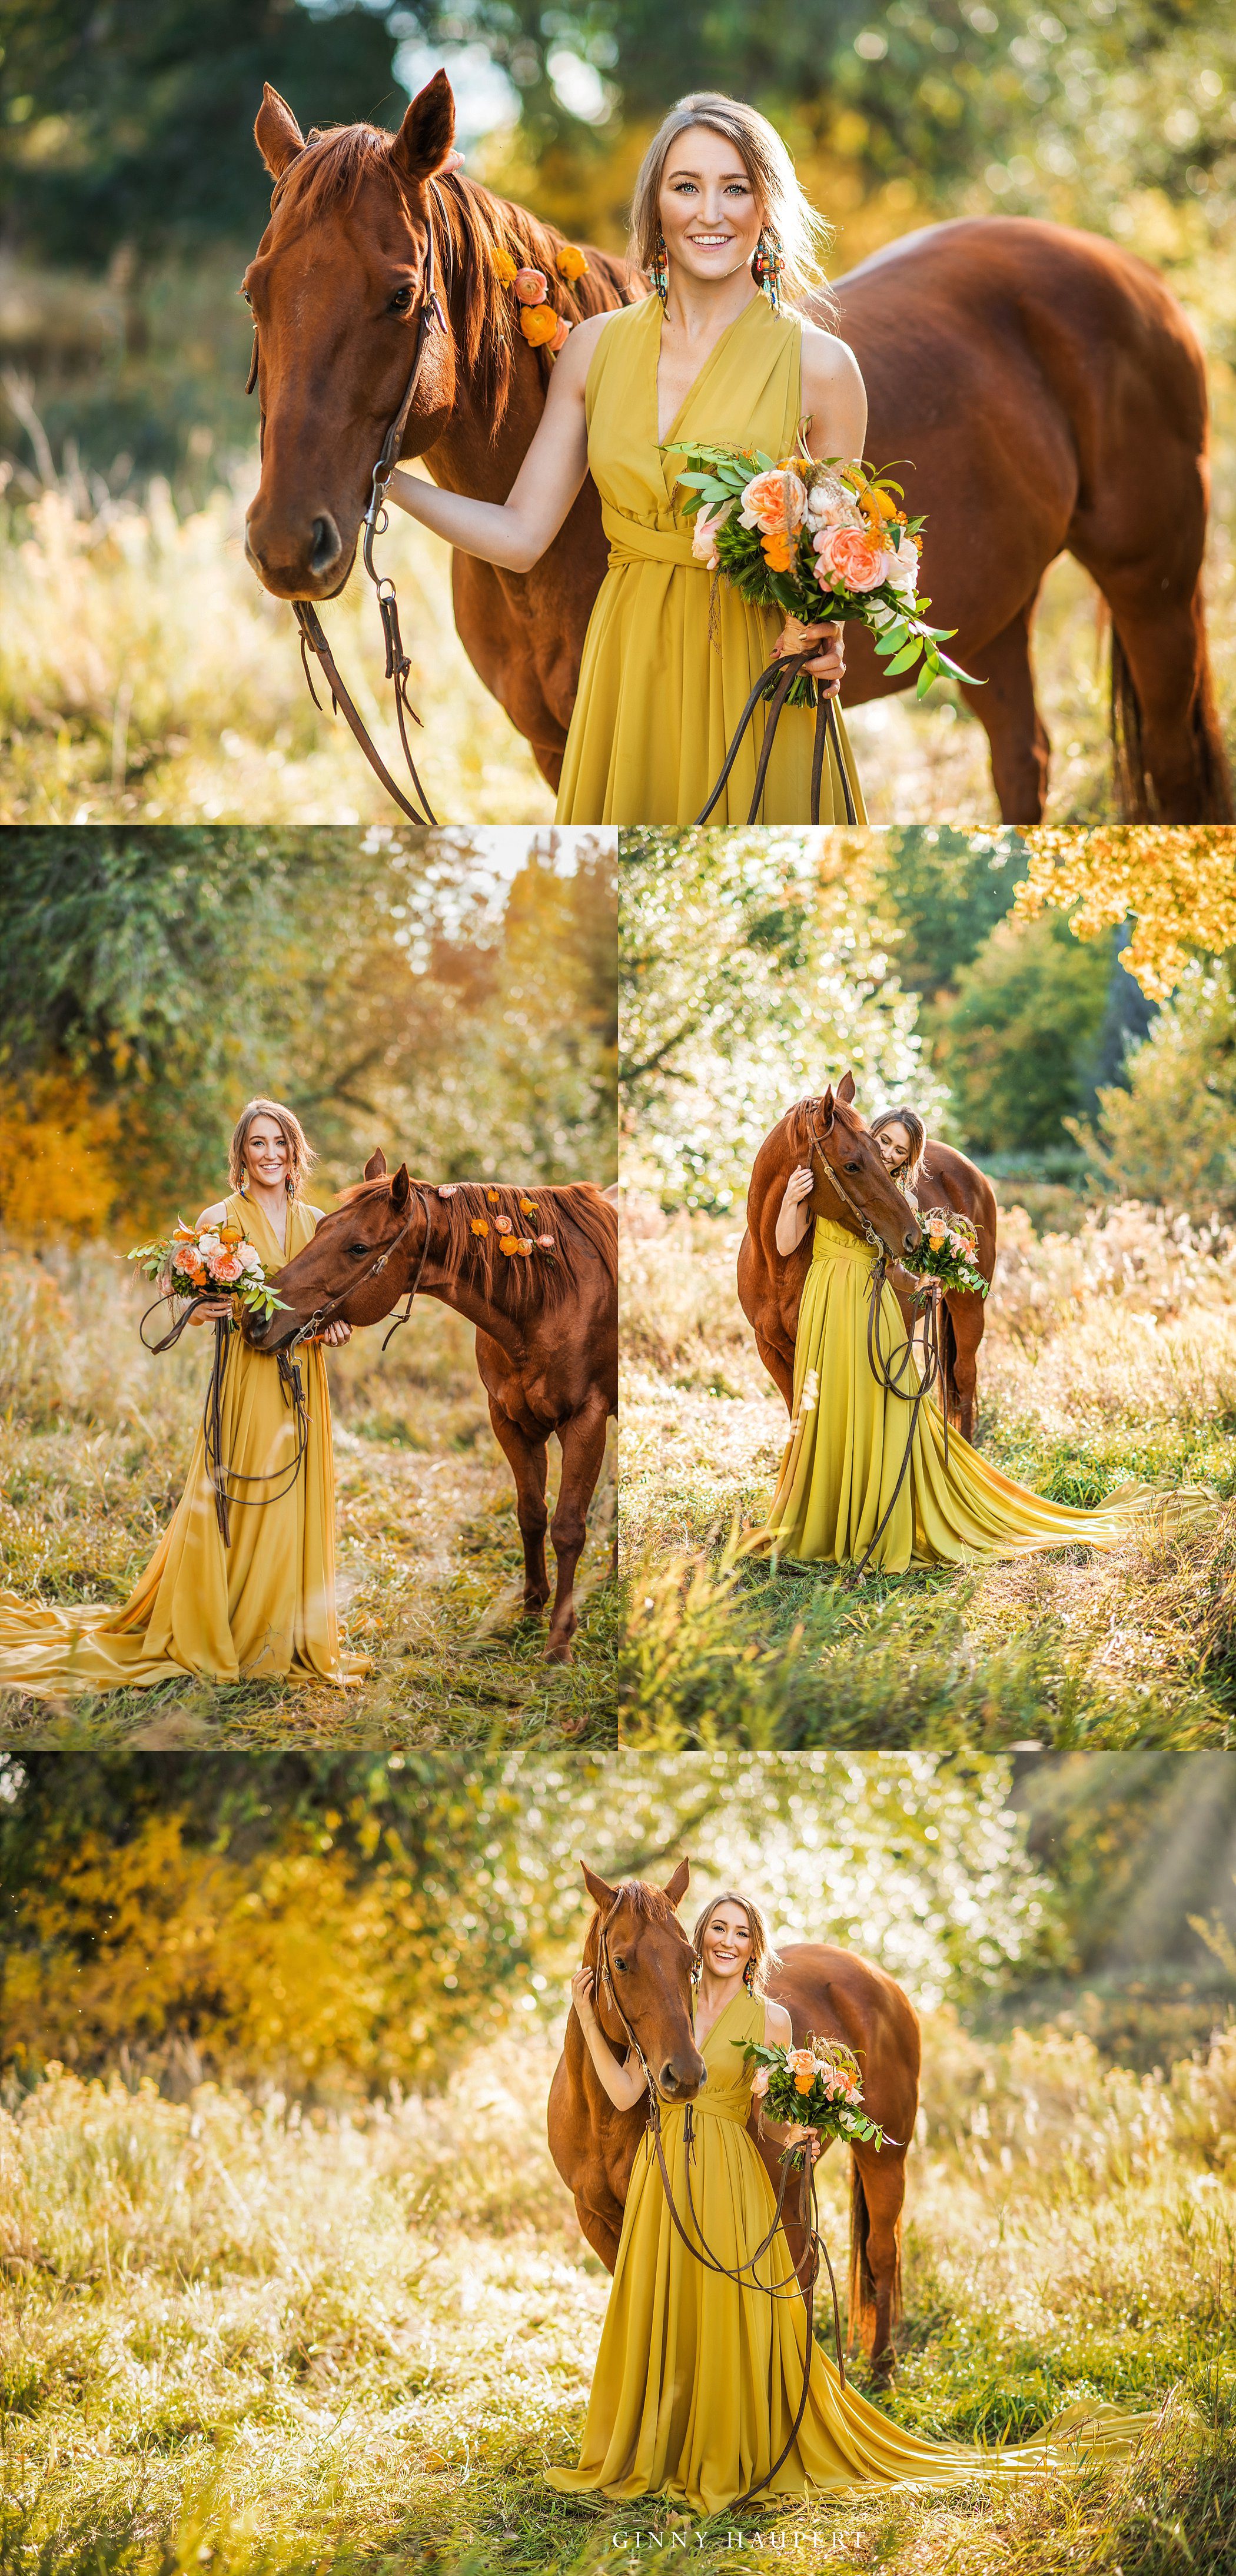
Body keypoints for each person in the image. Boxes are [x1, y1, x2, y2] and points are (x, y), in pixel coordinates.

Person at [549, 1890, 1154, 2512]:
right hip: (666, 2174)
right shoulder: (667, 2007)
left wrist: (807, 2125)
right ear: (699, 1938)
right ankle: (668, 2433)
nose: (728, 1941)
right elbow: (624, 2094)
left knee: (742, 2304)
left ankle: (749, 2433)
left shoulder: (771, 2020)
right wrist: (587, 2017)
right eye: (718, 1929)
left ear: (756, 1947)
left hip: (730, 2172)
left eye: (742, 1932)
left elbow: (770, 2120)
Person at [388, 93, 868, 826]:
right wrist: (386, 481)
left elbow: (837, 562)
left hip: (755, 668)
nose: (710, 213)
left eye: (736, 188)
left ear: (767, 206)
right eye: (687, 187)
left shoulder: (824, 367)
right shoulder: (592, 349)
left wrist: (829, 633)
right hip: (625, 661)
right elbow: (520, 536)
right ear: (656, 205)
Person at [0, 1099, 365, 1694]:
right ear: (241, 1153)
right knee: (242, 1493)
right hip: (246, 1378)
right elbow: (189, 1305)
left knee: (296, 1496)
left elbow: (327, 1306)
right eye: (258, 1143)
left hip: (303, 1376)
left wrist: (337, 1328)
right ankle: (230, 1625)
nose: (270, 1154)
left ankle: (285, 1629)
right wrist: (202, 1310)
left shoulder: (321, 1223)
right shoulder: (219, 1219)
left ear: (295, 1151)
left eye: (280, 1142)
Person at [766, 1099, 1210, 1569]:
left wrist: (926, 1281)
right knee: (827, 1408)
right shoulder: (837, 1174)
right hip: (825, 1303)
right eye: (886, 1141)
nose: (891, 1153)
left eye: (901, 1150)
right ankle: (827, 1516)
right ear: (870, 1134)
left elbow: (896, 1269)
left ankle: (878, 1518)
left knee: (882, 1411)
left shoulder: (902, 1202)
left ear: (910, 1159)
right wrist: (792, 1198)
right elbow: (786, 1243)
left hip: (872, 1311)